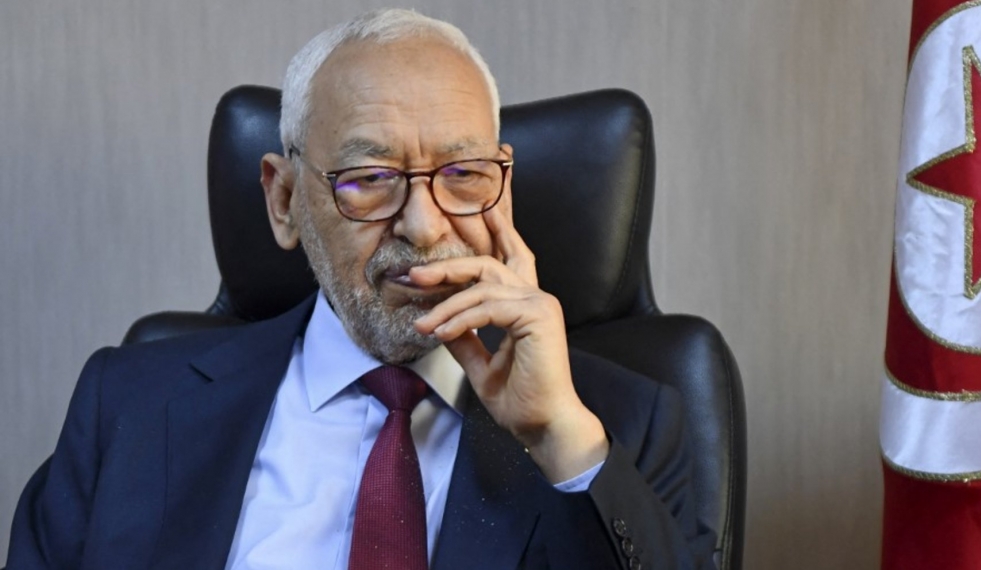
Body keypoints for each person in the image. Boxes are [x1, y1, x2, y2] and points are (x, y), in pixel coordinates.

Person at [7, 8, 712, 570]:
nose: (424, 226)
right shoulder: (128, 405)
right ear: (285, 201)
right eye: (370, 180)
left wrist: (559, 438)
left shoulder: (618, 427)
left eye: (464, 175)